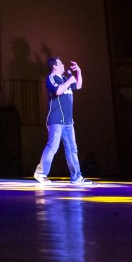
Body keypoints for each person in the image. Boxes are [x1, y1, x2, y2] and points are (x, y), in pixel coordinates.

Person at [33, 56, 84, 185]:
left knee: (72, 149)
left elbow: (78, 85)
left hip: (68, 121)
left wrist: (78, 72)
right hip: (56, 120)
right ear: (54, 66)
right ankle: (41, 173)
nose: (63, 65)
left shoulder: (66, 79)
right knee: (52, 146)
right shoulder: (51, 78)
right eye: (60, 63)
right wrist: (69, 80)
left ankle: (76, 177)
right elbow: (58, 91)